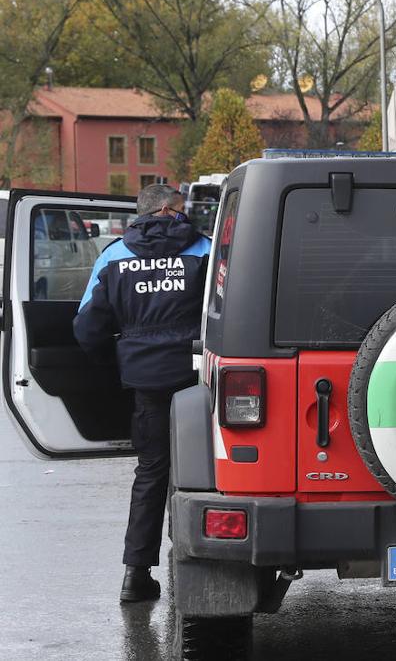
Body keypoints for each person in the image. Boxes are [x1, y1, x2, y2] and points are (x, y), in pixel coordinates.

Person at [74, 184, 212, 603]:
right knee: (206, 475)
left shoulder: (114, 255)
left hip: (145, 381)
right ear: (172, 210)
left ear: (143, 214)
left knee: (151, 473)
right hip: (200, 380)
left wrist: (117, 362)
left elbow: (86, 327)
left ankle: (136, 575)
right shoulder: (205, 249)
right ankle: (198, 561)